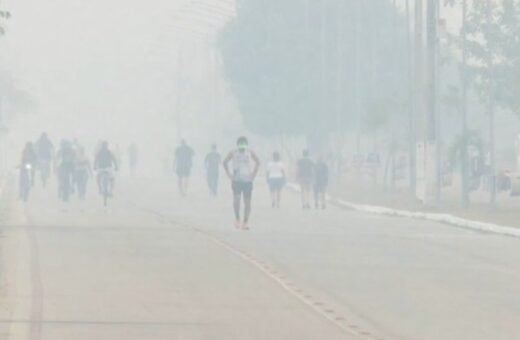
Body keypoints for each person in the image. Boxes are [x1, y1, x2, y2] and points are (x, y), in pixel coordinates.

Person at [223, 136, 260, 230]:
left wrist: (253, 174)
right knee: (237, 200)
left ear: (246, 145)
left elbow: (258, 161)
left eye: (243, 145)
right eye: (240, 145)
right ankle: (237, 219)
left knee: (247, 202)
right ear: (238, 145)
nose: (242, 148)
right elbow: (225, 162)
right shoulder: (233, 152)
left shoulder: (250, 152)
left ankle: (246, 222)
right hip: (236, 180)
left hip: (247, 180)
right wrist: (229, 174)